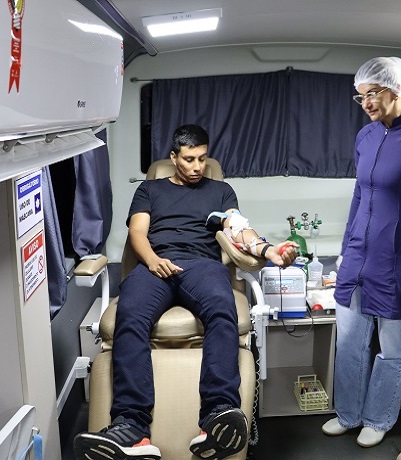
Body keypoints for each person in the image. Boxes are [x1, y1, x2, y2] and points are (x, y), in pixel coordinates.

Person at [74, 124, 297, 460]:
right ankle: (131, 428)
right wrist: (152, 260)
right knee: (130, 316)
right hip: (155, 265)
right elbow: (137, 232)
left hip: (201, 266)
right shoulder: (150, 190)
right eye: (189, 159)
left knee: (222, 308)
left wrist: (268, 250)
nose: (197, 167)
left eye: (202, 159)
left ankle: (218, 415)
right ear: (174, 157)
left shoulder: (220, 191)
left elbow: (239, 229)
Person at [321, 57, 401, 447]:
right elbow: (360, 195)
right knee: (349, 342)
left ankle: (378, 418)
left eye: (372, 94)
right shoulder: (366, 136)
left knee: (391, 349)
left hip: (397, 262)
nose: (365, 103)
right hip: (358, 257)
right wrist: (345, 249)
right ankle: (348, 414)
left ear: (395, 90)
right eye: (360, 97)